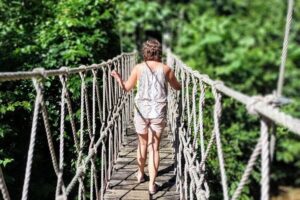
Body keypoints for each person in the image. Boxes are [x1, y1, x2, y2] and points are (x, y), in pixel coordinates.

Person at [111, 39, 181, 194]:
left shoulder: (138, 68)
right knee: (154, 148)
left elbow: (126, 88)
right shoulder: (166, 69)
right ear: (159, 52)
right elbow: (177, 87)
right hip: (158, 113)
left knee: (142, 145)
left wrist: (118, 78)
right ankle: (152, 185)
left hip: (141, 113)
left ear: (145, 52)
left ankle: (140, 173)